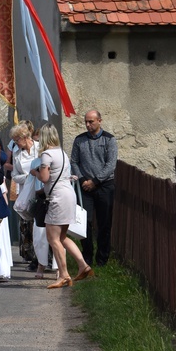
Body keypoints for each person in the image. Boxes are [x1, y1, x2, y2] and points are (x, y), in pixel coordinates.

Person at [32, 124, 94, 288]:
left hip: (57, 198)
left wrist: (35, 172)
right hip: (68, 195)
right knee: (62, 237)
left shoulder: (46, 155)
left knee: (53, 238)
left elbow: (45, 178)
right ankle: (83, 265)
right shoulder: (62, 153)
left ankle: (64, 275)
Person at [70, 110, 118, 267]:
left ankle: (102, 259)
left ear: (99, 121)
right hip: (85, 187)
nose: (88, 124)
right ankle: (87, 256)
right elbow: (74, 161)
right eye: (86, 122)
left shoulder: (109, 140)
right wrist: (83, 180)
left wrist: (96, 181)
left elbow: (110, 164)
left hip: (104, 185)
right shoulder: (80, 140)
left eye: (91, 121)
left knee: (104, 223)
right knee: (85, 222)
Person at [10, 122, 52, 278]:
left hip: (41, 191)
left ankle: (47, 258)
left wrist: (37, 175)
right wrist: (28, 177)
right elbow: (14, 175)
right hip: (26, 192)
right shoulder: (17, 154)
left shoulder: (39, 148)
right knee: (28, 227)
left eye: (16, 140)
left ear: (24, 137)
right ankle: (34, 258)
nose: (15, 143)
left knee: (42, 227)